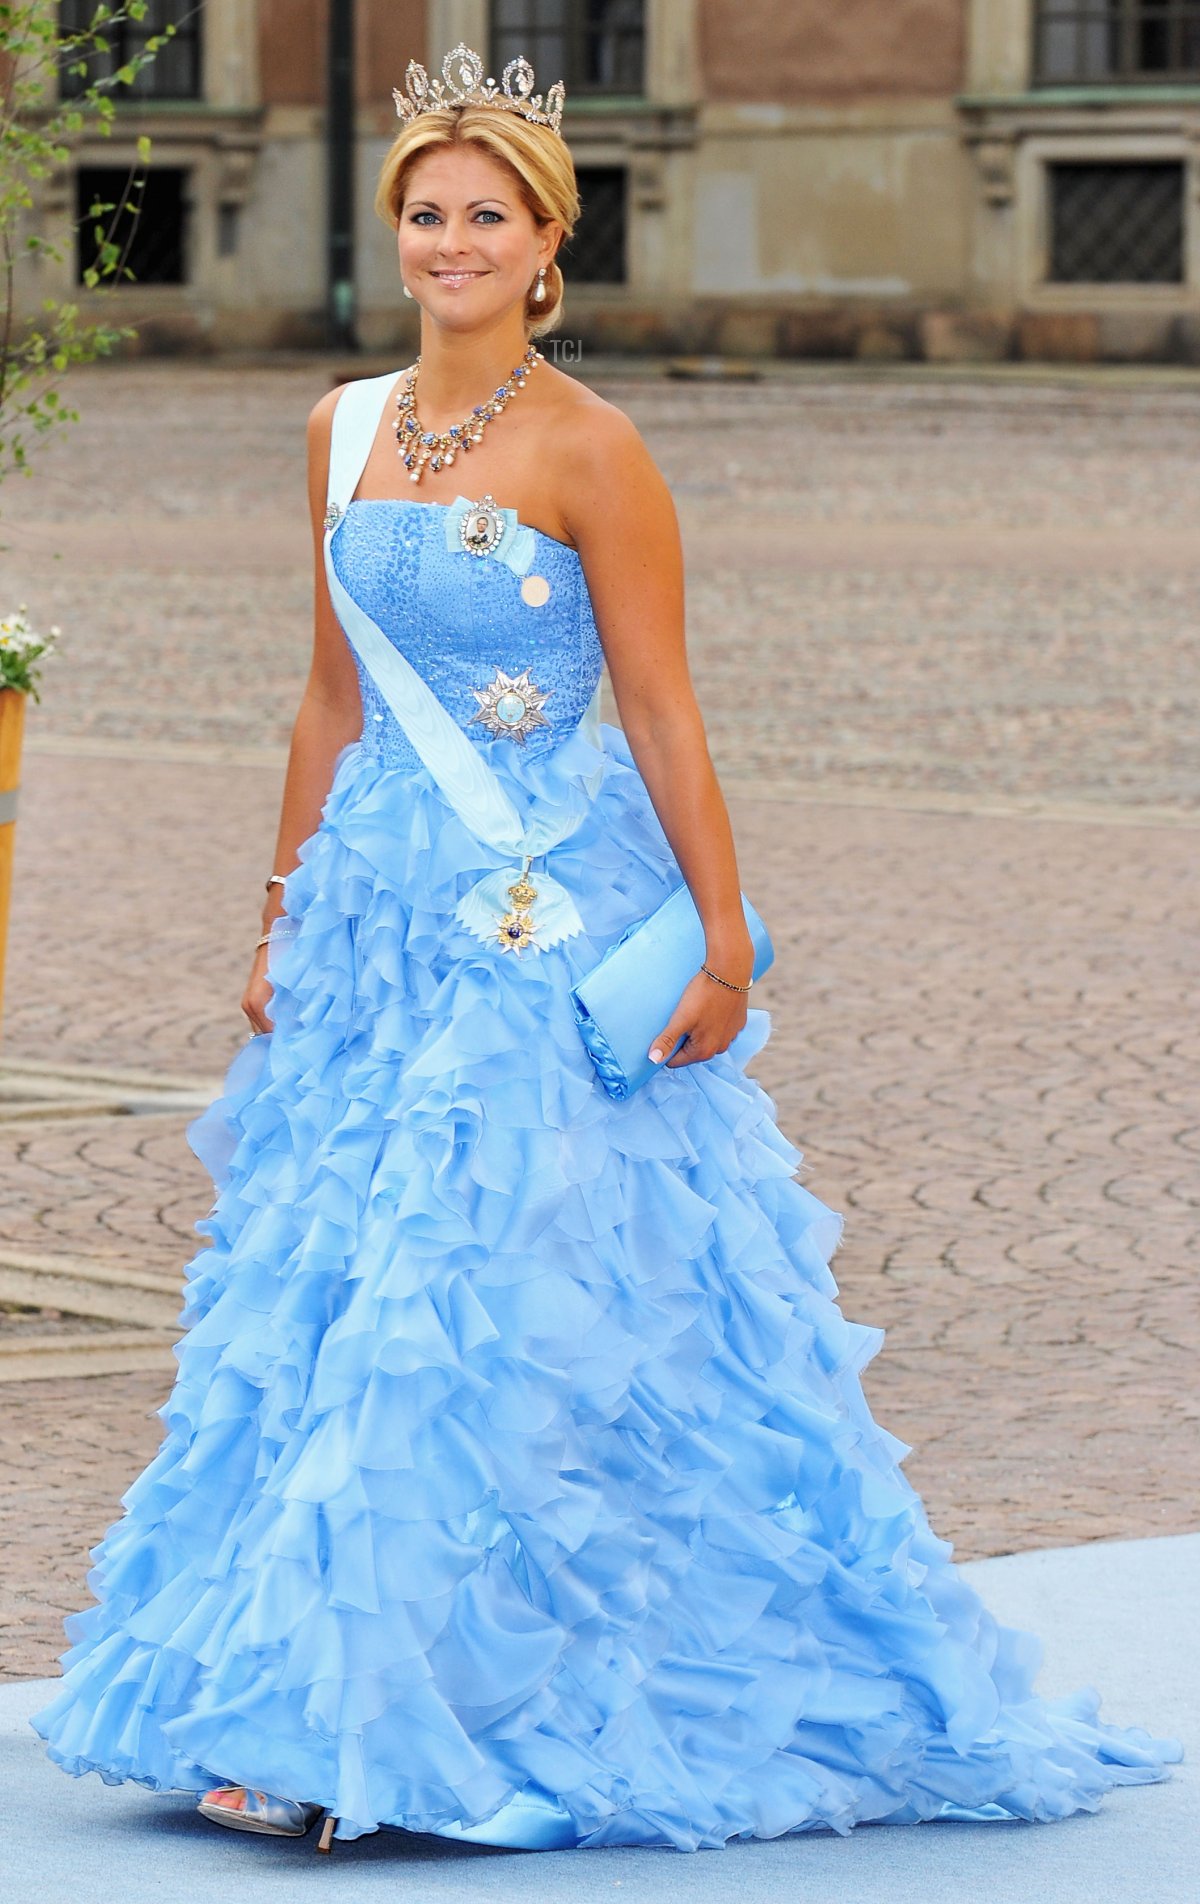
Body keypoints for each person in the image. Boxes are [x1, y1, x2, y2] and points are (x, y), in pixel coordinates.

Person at [31, 43, 1182, 1858]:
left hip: (537, 915)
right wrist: (275, 915)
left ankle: (391, 1726)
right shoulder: (336, 427)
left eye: (487, 217)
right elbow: (327, 699)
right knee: (336, 1290)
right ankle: (301, 1692)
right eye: (427, 214)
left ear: (548, 240)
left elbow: (659, 706)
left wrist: (721, 939)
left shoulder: (594, 448)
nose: (452, 244)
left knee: (469, 1296)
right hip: (375, 922)